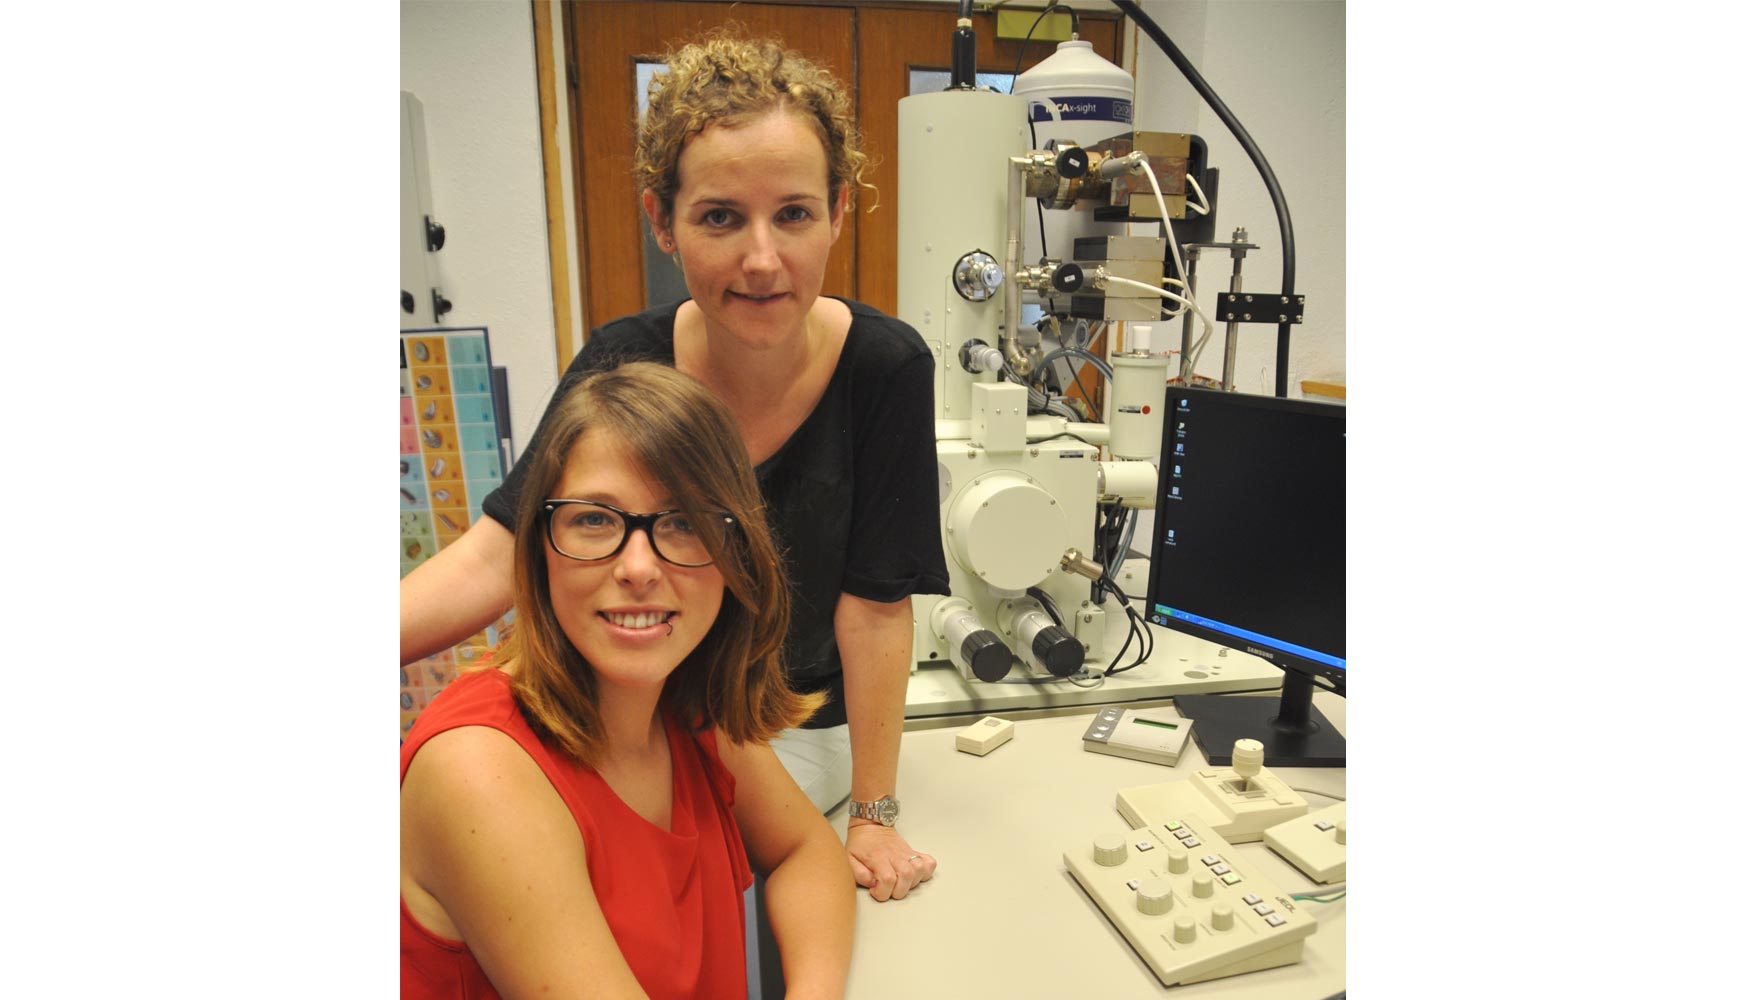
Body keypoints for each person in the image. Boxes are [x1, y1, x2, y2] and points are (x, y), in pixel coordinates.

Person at [400, 29, 949, 902]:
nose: (762, 259)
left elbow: (876, 614)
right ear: (663, 221)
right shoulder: (625, 360)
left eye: (795, 214)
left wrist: (874, 813)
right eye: (721, 217)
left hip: (791, 724)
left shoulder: (885, 369)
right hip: (637, 706)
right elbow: (498, 553)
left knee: (661, 868)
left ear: (840, 212)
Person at [401, 363, 854, 999]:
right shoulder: (480, 770)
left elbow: (806, 850)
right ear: (538, 547)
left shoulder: (683, 704)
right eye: (594, 520)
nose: (638, 567)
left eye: (685, 522)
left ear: (735, 556)